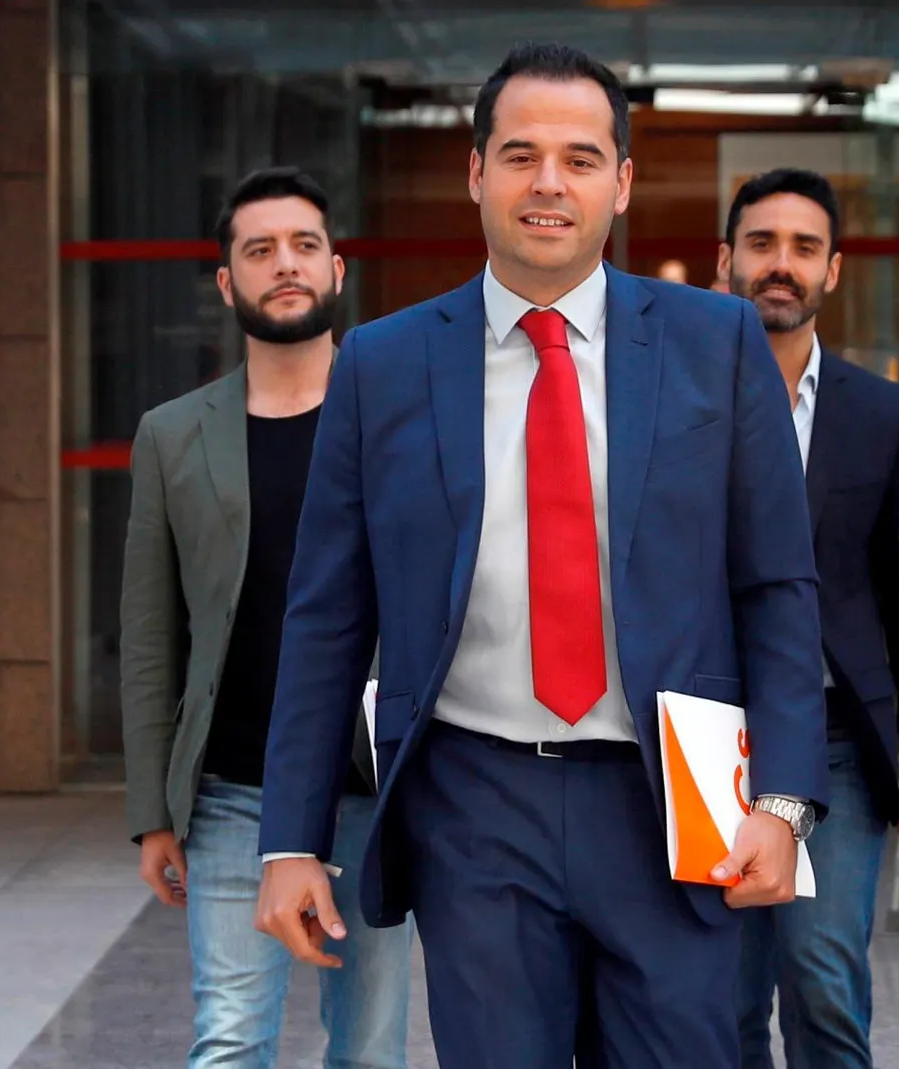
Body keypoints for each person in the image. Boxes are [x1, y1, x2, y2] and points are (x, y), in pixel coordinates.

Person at [251, 42, 829, 1069]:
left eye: (578, 157)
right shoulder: (384, 364)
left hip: (666, 800)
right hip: (474, 804)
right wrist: (290, 840)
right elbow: (328, 613)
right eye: (519, 155)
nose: (549, 183)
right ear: (475, 175)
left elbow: (776, 587)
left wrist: (782, 801)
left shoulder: (719, 341)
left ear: (622, 182)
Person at [118, 166, 413, 1069]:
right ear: (227, 282)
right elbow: (149, 633)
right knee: (230, 1040)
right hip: (233, 791)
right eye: (260, 250)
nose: (284, 264)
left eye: (303, 246)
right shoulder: (174, 435)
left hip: (372, 791)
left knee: (368, 1049)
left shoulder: (401, 420)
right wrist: (150, 811)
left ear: (337, 268)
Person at [718, 167, 899, 1069]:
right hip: (706, 737)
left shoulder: (886, 413)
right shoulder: (678, 404)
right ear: (726, 260)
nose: (781, 264)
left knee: (821, 979)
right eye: (762, 244)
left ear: (834, 270)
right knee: (723, 993)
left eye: (804, 248)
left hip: (835, 744)